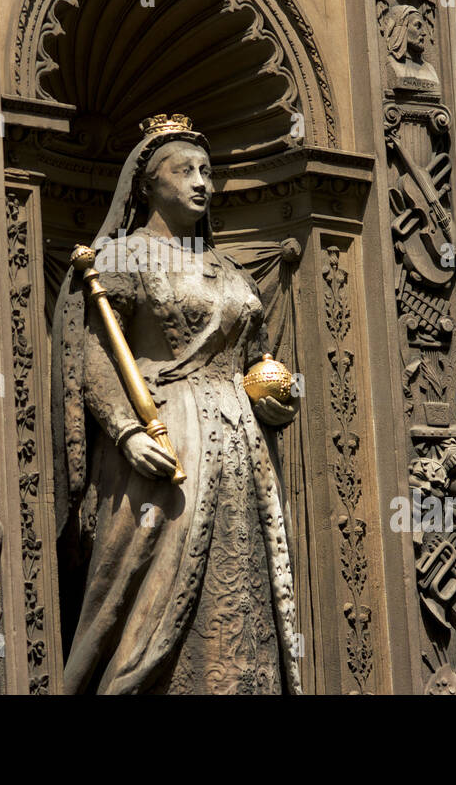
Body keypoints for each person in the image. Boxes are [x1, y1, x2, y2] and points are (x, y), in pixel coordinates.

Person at [52, 114, 302, 695]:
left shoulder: (230, 269)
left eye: (207, 172)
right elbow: (93, 357)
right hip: (163, 438)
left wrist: (274, 396)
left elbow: (252, 360)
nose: (201, 183)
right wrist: (124, 431)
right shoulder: (118, 259)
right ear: (147, 183)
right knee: (147, 593)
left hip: (241, 449)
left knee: (240, 585)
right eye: (183, 170)